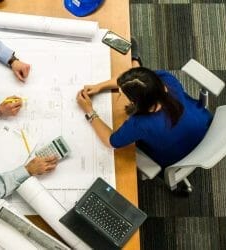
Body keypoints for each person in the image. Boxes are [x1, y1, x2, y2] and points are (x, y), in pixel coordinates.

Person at [75, 41, 212, 191]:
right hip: (206, 128)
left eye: (123, 94)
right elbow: (139, 80)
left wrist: (89, 111)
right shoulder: (166, 80)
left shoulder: (140, 124)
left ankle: (135, 59)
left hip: (176, 156)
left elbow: (111, 141)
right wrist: (100, 86)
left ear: (136, 102)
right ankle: (135, 58)